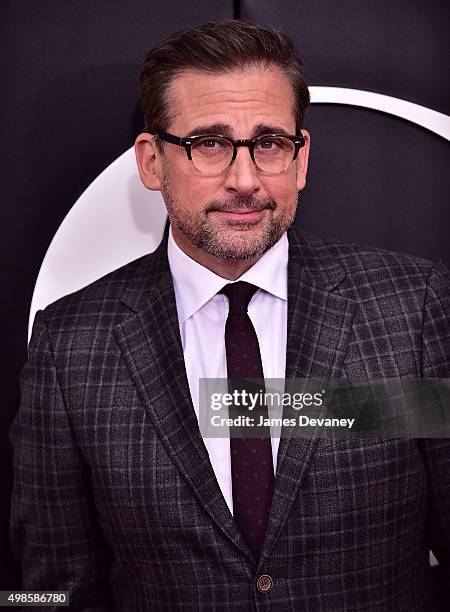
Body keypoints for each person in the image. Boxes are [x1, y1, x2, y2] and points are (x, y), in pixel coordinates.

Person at [9, 19, 449, 611]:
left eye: (268, 143)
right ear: (152, 162)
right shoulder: (71, 346)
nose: (244, 181)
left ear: (301, 157)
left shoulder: (410, 307)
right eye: (209, 144)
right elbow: (53, 590)